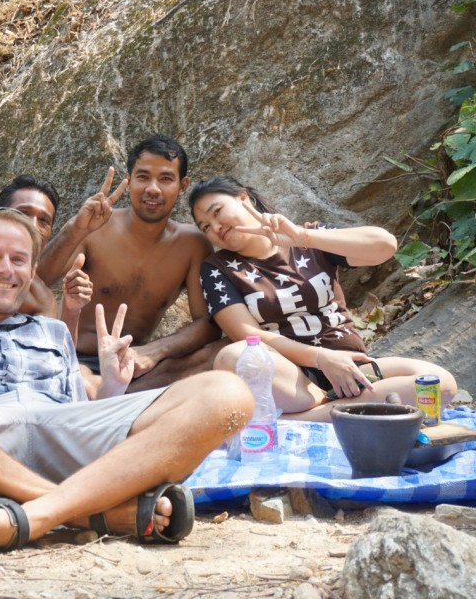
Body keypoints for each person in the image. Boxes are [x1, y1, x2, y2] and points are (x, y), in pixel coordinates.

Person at [0, 208, 255, 560]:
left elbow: (84, 422)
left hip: (63, 425)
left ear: (31, 272)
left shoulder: (54, 332)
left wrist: (114, 386)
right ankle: (91, 514)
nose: (6, 269)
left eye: (18, 259)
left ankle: (31, 516)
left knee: (227, 393)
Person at [188, 175, 457, 421]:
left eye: (217, 212)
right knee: (232, 356)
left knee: (439, 384)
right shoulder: (216, 268)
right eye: (206, 227)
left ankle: (301, 421)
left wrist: (300, 236)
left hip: (351, 368)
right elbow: (248, 336)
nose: (216, 227)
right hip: (291, 381)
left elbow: (385, 246)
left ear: (244, 198)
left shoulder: (310, 236)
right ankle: (357, 410)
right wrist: (321, 358)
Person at [37, 134, 223, 397]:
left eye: (166, 179)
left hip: (136, 366)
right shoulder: (96, 228)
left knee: (220, 354)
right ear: (129, 180)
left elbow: (208, 324)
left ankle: (116, 397)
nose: (153, 189)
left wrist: (155, 351)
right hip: (78, 359)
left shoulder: (192, 244)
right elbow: (37, 281)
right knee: (84, 383)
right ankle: (113, 398)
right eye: (143, 177)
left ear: (183, 186)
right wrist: (74, 229)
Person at [0, 175, 93, 339]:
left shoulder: (43, 299)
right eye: (22, 213)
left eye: (43, 220)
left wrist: (71, 309)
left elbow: (59, 357)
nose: (33, 226)